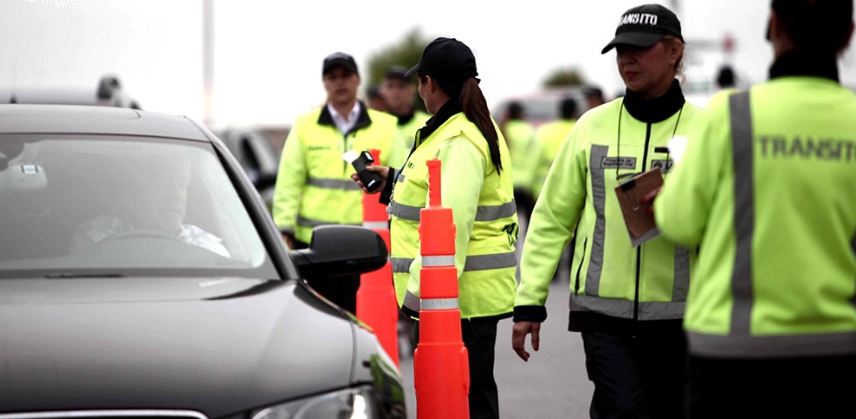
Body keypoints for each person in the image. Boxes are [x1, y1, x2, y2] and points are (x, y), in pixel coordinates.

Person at [651, 1, 856, 417]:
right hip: (840, 348)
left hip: (732, 352)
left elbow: (679, 221)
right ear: (849, 34)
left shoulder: (731, 114)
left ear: (774, 24)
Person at [511, 4, 701, 418]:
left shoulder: (707, 130)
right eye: (620, 50)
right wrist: (529, 302)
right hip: (603, 316)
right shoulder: (590, 126)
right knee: (623, 412)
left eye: (639, 48)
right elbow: (551, 218)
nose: (626, 59)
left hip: (684, 318)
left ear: (673, 51)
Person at [353, 37, 517, 419]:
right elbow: (436, 197)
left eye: (419, 82)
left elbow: (449, 227)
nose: (417, 89)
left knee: (466, 400)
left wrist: (417, 298)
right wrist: (392, 179)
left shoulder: (459, 139)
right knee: (464, 397)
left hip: (457, 300)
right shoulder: (454, 130)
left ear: (430, 84)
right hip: (456, 298)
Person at [272, 51, 406, 313]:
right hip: (313, 247)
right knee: (317, 320)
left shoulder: (386, 126)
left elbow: (403, 181)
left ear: (357, 80)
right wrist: (284, 230)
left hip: (367, 247)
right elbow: (289, 182)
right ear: (325, 83)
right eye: (332, 77)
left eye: (345, 76)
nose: (340, 82)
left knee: (365, 319)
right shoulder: (304, 126)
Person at [501, 101, 537, 225]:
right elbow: (535, 159)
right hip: (527, 183)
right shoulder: (530, 130)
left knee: (510, 224)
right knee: (529, 222)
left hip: (508, 184)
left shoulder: (502, 130)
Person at [380, 65, 431, 150]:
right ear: (382, 90)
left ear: (413, 89)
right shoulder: (376, 125)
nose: (395, 92)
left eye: (401, 86)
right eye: (390, 86)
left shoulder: (428, 124)